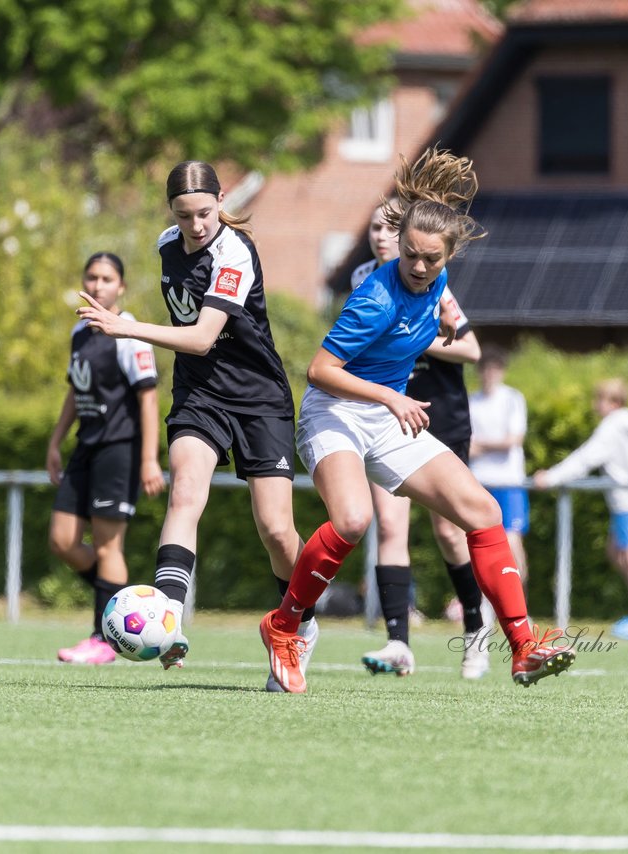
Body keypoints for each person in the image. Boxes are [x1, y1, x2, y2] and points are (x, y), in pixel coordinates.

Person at [259, 148, 576, 693]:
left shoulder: (436, 286)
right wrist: (390, 397)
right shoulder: (376, 298)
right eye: (410, 255)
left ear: (449, 256)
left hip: (386, 416)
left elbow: (436, 328)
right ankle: (283, 625)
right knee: (354, 521)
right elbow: (319, 371)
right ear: (399, 245)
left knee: (481, 510)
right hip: (335, 413)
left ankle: (523, 647)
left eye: (431, 258)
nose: (419, 266)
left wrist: (444, 334)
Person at [77, 160, 316, 689]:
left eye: (206, 213)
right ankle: (170, 619)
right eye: (185, 216)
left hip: (259, 398)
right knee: (185, 490)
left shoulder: (234, 252)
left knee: (277, 529)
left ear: (221, 200)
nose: (197, 226)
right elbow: (197, 349)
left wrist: (130, 327)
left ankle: (298, 622)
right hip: (199, 394)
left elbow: (206, 335)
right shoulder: (168, 244)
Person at [351, 203, 491, 681]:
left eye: (388, 229)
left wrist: (412, 334)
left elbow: (470, 348)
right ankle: (398, 642)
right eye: (373, 228)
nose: (379, 236)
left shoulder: (434, 281)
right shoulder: (363, 280)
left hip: (439, 413)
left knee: (451, 530)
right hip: (386, 414)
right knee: (390, 527)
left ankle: (475, 630)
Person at [47, 253, 165, 664]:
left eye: (107, 278)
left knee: (107, 544)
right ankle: (121, 600)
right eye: (92, 277)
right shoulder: (80, 332)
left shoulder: (129, 333)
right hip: (85, 447)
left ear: (121, 287)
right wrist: (55, 441)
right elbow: (73, 391)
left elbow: (148, 397)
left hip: (120, 448)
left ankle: (104, 638)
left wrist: (150, 459)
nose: (98, 285)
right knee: (62, 540)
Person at [533, 379, 628, 641]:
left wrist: (550, 478)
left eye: (600, 399)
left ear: (614, 402)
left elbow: (586, 458)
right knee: (615, 549)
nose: (596, 405)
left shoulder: (613, 426)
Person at [469, 346, 530, 582]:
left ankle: (519, 602)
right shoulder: (472, 401)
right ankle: (485, 603)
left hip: (509, 481)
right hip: (480, 481)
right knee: (481, 542)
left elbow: (513, 440)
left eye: (495, 369)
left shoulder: (512, 398)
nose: (490, 374)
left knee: (512, 540)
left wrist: (481, 446)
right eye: (485, 369)